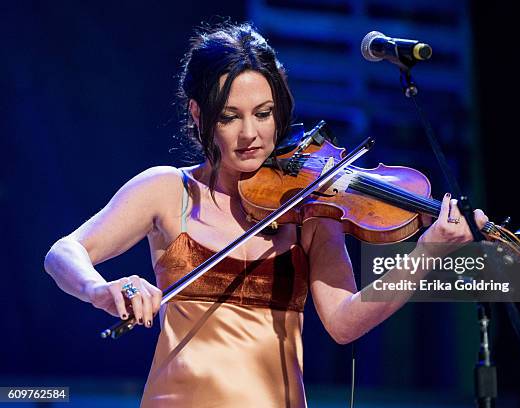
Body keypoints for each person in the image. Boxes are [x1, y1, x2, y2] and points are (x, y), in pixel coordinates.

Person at [44, 22, 489, 407]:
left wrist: (428, 251)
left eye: (264, 114)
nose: (251, 134)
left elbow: (345, 323)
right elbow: (63, 253)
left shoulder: (310, 209)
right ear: (199, 115)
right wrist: (102, 289)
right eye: (230, 117)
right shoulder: (168, 189)